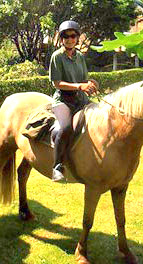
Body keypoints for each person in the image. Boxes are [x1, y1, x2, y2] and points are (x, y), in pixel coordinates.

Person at [49, 20, 98, 182]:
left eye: (73, 36)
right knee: (66, 127)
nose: (69, 39)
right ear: (61, 38)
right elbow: (57, 83)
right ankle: (57, 167)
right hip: (63, 100)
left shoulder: (80, 57)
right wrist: (79, 86)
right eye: (65, 36)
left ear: (77, 37)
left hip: (80, 99)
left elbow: (83, 79)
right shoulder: (57, 57)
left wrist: (90, 83)